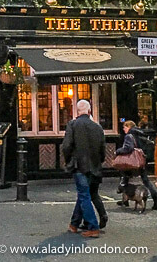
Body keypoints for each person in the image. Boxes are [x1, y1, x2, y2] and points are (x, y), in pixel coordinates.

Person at [62, 99, 105, 238]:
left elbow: (66, 146)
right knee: (84, 194)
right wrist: (98, 162)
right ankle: (74, 224)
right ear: (90, 111)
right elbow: (102, 150)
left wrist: (69, 160)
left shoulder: (73, 125)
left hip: (79, 165)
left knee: (84, 195)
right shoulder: (98, 127)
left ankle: (93, 227)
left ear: (77, 111)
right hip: (94, 166)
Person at [116, 120, 157, 210]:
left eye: (124, 127)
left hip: (132, 162)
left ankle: (126, 199)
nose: (123, 129)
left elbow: (128, 148)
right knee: (146, 181)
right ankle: (156, 198)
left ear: (128, 126)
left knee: (124, 178)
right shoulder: (138, 133)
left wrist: (118, 151)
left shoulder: (129, 135)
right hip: (141, 160)